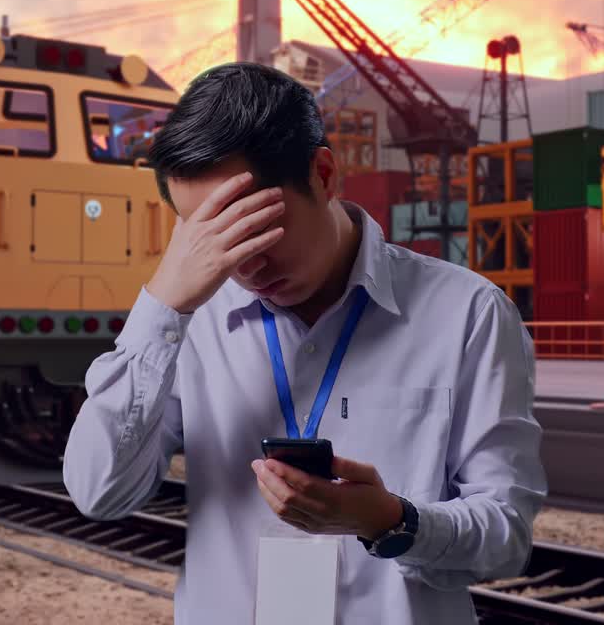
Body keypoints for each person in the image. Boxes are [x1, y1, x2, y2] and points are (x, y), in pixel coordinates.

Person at [63, 62, 546, 624]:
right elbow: (98, 492)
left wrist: (392, 522)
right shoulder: (186, 324)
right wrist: (161, 307)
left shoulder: (468, 314)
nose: (243, 263)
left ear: (323, 174)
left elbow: (507, 535)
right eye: (212, 235)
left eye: (254, 227)